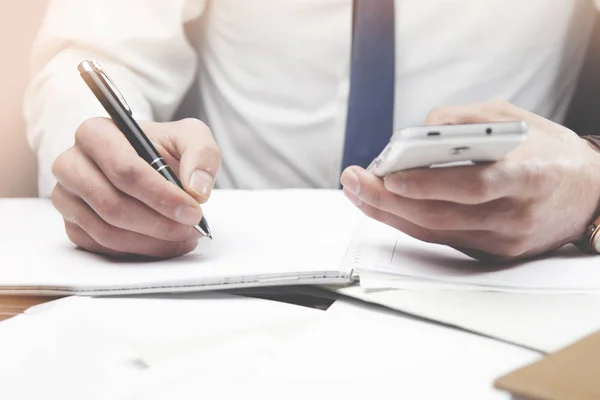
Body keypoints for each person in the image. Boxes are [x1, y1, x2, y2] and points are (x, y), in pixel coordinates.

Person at [24, 0, 600, 261]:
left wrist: (592, 186)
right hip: (221, 255)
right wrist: (107, 166)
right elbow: (94, 54)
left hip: (495, 273)